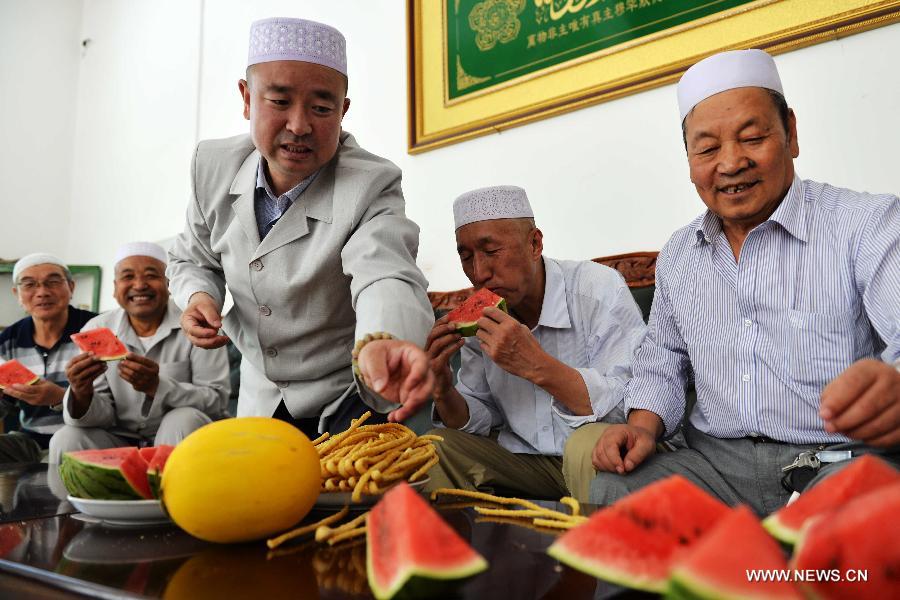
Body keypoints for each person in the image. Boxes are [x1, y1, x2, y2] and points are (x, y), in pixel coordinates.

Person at [590, 50, 900, 514]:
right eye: (708, 149)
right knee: (616, 491)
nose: (731, 163)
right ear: (690, 159)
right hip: (717, 466)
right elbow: (662, 361)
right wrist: (642, 428)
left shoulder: (867, 224)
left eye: (752, 137)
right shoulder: (681, 253)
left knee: (862, 511)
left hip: (837, 461)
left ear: (791, 133)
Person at [167, 17, 434, 439]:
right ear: (246, 98)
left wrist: (385, 338)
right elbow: (193, 257)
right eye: (279, 101)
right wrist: (199, 295)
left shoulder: (370, 182)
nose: (299, 125)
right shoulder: (211, 167)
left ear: (343, 111)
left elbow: (385, 272)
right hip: (262, 394)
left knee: (351, 500)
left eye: (322, 108)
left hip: (350, 392)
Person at [424, 186, 646, 501]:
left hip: (598, 456)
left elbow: (631, 405)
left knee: (588, 444)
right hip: (525, 463)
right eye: (466, 256)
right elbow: (481, 420)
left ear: (534, 243)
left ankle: (598, 547)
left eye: (491, 251)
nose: (479, 272)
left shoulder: (596, 289)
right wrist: (442, 389)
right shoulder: (482, 319)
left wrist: (536, 365)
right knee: (434, 448)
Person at [48, 243, 231, 463]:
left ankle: (177, 493)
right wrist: (81, 392)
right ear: (115, 288)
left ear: (168, 284)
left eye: (151, 275)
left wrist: (158, 387)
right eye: (128, 277)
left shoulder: (197, 323)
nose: (139, 285)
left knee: (182, 419)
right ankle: (77, 498)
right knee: (66, 437)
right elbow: (102, 415)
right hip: (119, 439)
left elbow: (216, 401)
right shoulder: (96, 330)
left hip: (181, 438)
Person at [0, 254, 96, 463]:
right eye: (29, 284)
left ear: (71, 287)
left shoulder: (95, 329)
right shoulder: (8, 341)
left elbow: (117, 403)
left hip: (85, 436)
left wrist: (60, 398)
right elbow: (4, 404)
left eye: (53, 282)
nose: (42, 292)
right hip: (29, 440)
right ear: (17, 294)